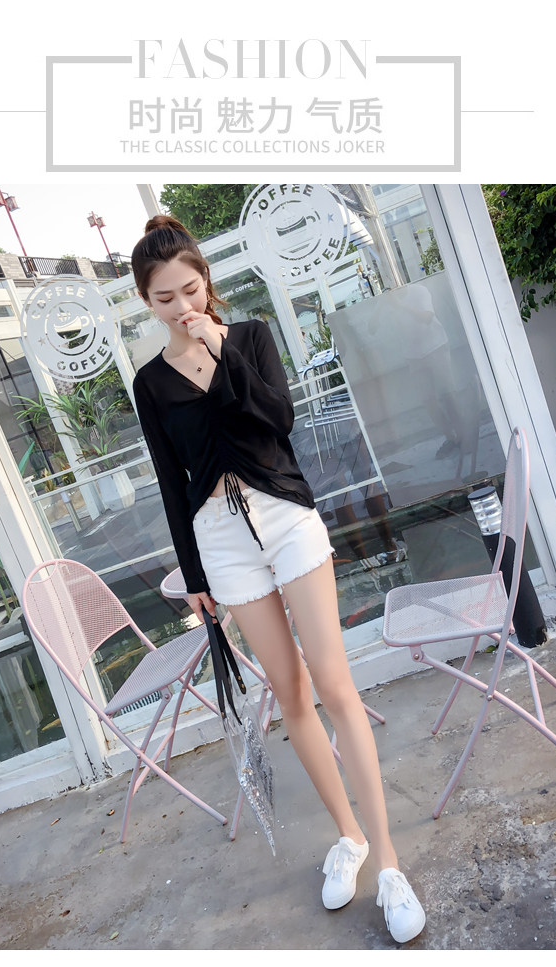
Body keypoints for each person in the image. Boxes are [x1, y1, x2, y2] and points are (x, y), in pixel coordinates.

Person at [131, 215, 426, 945]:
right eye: (165, 299)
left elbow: (279, 419)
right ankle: (349, 836)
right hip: (221, 541)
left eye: (190, 290)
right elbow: (171, 483)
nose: (181, 306)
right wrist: (195, 576)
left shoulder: (250, 337)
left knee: (335, 685)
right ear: (146, 301)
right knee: (290, 694)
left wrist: (217, 349)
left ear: (207, 281)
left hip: (286, 519)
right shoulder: (151, 382)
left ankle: (389, 863)